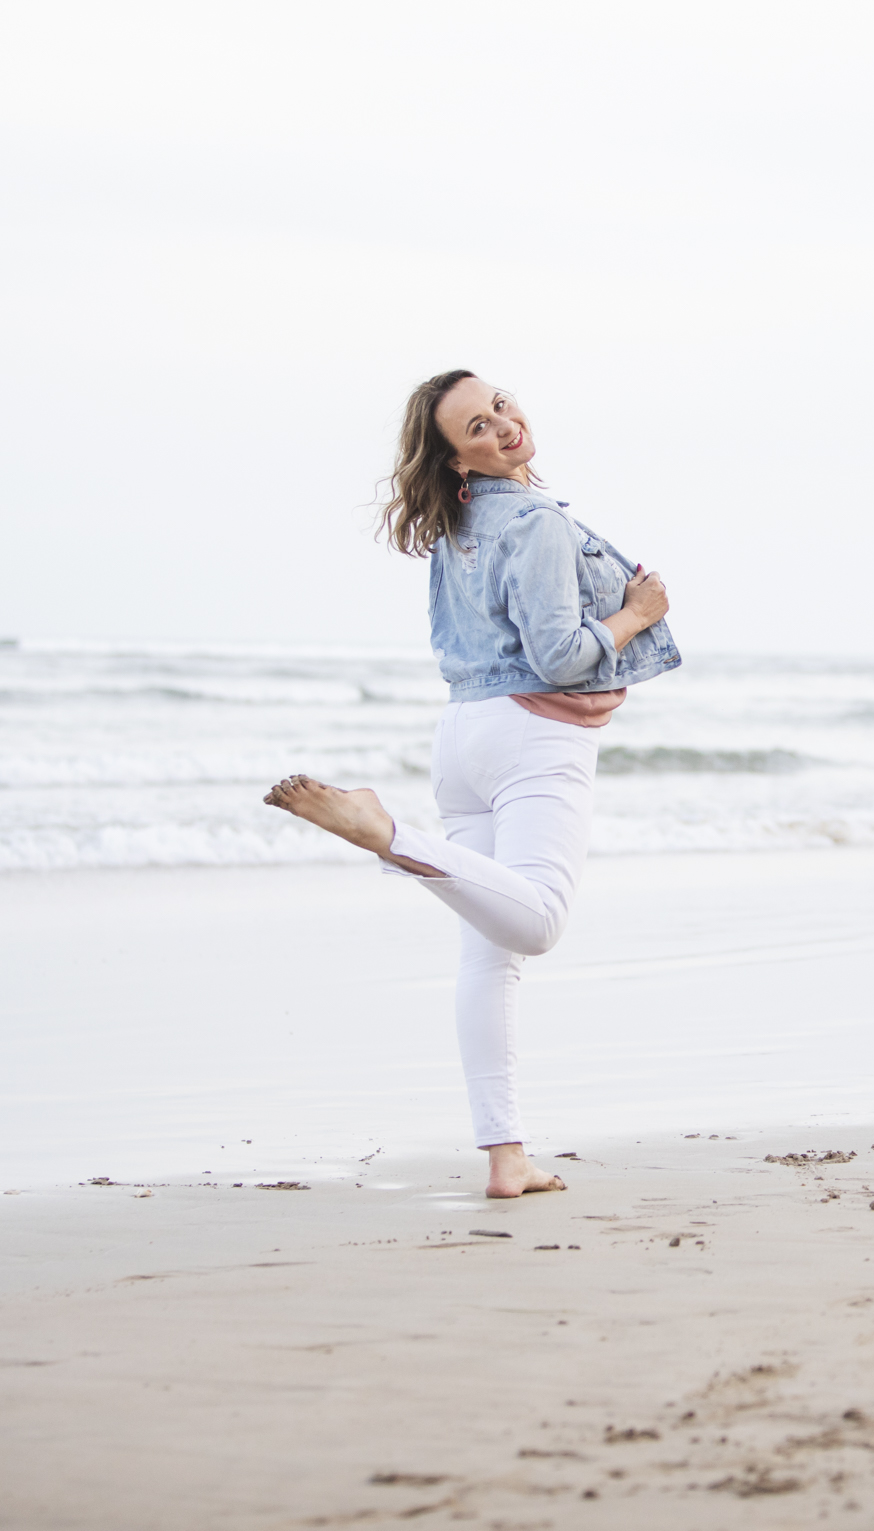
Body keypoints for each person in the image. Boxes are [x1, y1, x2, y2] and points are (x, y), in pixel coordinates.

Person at [264, 371, 681, 1198]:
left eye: (499, 406)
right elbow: (560, 656)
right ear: (458, 460)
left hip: (463, 736)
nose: (503, 425)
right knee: (538, 925)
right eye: (478, 429)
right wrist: (637, 614)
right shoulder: (536, 523)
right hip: (533, 736)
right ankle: (387, 835)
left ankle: (506, 1157)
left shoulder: (458, 530)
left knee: (490, 960)